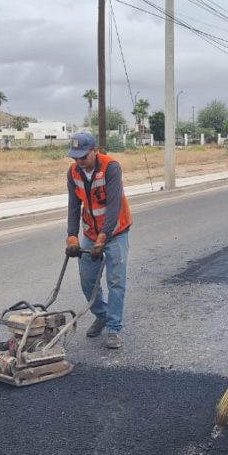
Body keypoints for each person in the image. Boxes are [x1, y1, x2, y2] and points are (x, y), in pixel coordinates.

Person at [64, 132, 131, 349]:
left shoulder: (111, 168)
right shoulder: (74, 172)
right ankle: (101, 315)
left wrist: (104, 238)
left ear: (95, 150)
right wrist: (72, 236)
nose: (79, 161)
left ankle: (114, 328)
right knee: (87, 280)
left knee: (115, 281)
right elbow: (74, 206)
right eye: (75, 157)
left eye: (83, 157)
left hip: (116, 232)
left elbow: (113, 206)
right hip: (90, 233)